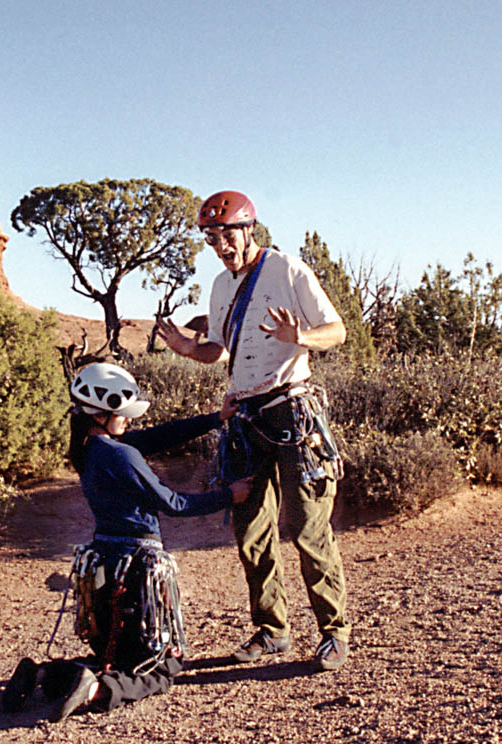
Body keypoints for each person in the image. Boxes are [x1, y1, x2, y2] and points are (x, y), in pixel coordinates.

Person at [155, 189, 352, 672]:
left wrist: (299, 337)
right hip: (246, 419)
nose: (220, 245)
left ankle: (333, 633)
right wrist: (185, 348)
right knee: (251, 531)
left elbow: (337, 330)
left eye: (225, 234)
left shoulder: (288, 270)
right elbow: (218, 350)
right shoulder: (221, 287)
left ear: (249, 229)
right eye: (210, 237)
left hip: (292, 412)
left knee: (307, 528)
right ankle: (272, 630)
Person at [1, 362, 251, 722]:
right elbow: (172, 503)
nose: (130, 421)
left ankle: (43, 674)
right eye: (123, 414)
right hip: (135, 573)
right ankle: (96, 690)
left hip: (105, 565)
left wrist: (215, 418)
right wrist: (229, 495)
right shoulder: (121, 454)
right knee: (164, 667)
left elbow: (157, 437)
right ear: (101, 415)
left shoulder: (90, 449)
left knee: (116, 657)